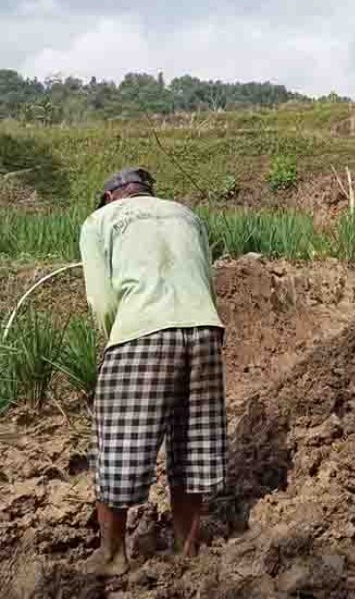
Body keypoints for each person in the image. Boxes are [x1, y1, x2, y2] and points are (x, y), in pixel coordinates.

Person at [79, 168, 227, 576]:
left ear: (110, 197)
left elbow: (103, 301)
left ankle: (111, 556)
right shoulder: (186, 215)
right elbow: (207, 282)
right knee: (193, 442)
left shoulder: (99, 221)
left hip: (141, 331)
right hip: (204, 329)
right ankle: (187, 550)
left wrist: (117, 340)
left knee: (119, 446)